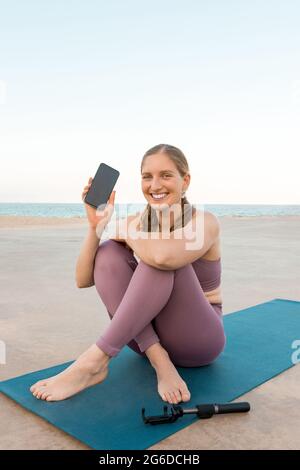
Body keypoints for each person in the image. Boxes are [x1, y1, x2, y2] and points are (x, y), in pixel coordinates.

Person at [30, 144, 226, 405]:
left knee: (158, 259)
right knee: (109, 251)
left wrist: (128, 229)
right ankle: (160, 360)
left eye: (166, 175)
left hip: (198, 339)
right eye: (147, 177)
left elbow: (162, 257)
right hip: (143, 342)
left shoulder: (204, 222)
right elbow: (84, 279)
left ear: (185, 180)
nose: (155, 185)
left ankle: (94, 361)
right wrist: (96, 229)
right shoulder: (134, 222)